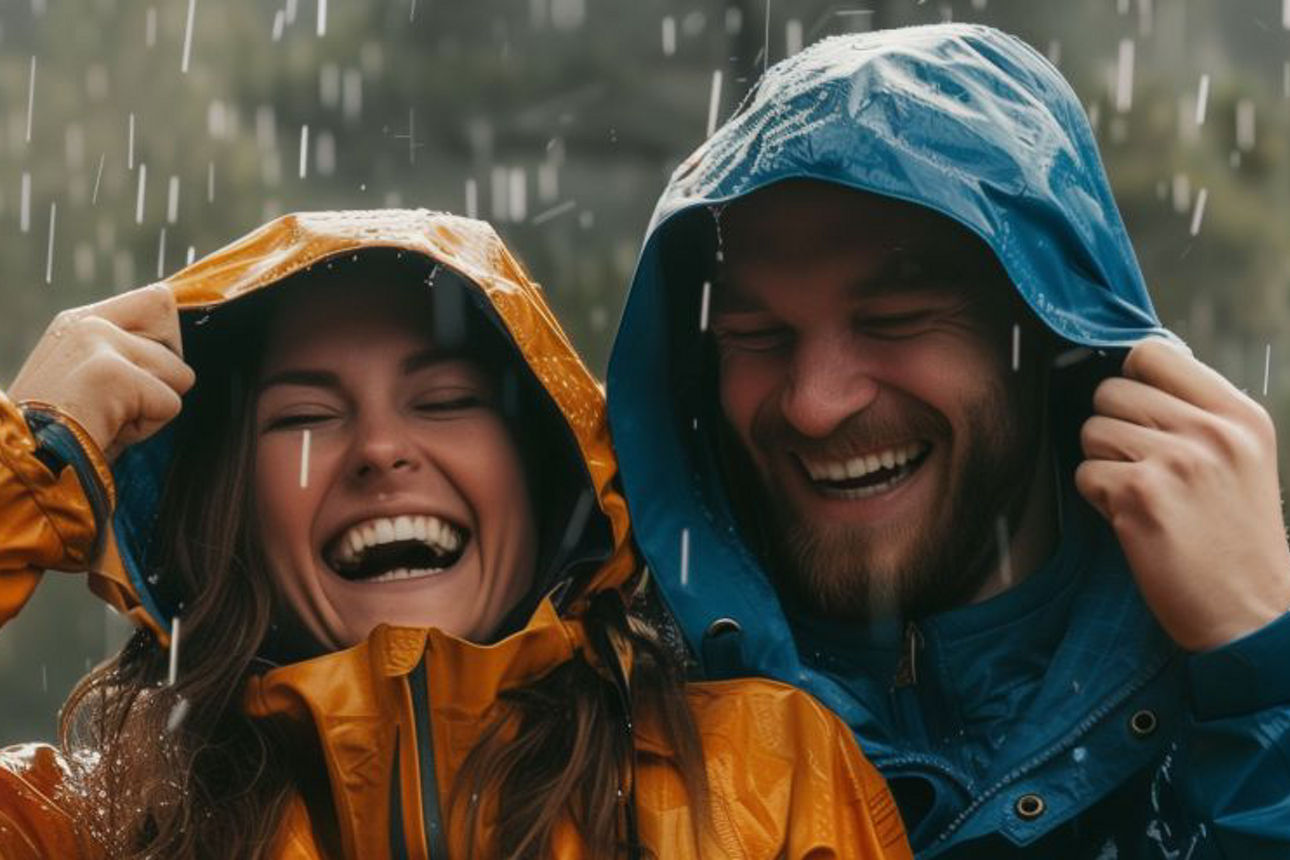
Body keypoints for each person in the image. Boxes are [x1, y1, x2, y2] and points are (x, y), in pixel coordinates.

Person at [0, 210, 912, 858]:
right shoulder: (77, 827)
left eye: (446, 402)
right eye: (306, 416)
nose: (383, 449)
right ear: (226, 509)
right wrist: (19, 467)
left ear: (548, 477)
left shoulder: (769, 781)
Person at [606, 23, 1290, 859]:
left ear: (1053, 338)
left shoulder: (1230, 679)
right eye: (755, 334)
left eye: (895, 321)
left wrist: (1262, 673)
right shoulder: (603, 722)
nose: (816, 405)